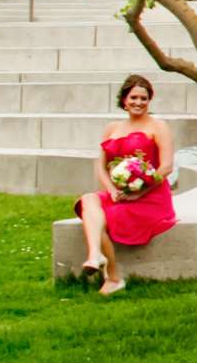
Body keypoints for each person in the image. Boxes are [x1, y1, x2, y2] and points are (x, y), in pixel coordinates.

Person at [73, 74, 177, 297]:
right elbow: (100, 165)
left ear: (149, 101)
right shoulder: (112, 127)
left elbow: (166, 167)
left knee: (99, 217)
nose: (138, 102)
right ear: (124, 100)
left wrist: (140, 191)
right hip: (120, 192)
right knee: (87, 201)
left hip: (151, 197)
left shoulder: (159, 126)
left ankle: (113, 277)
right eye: (134, 97)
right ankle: (95, 256)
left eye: (144, 98)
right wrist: (111, 190)